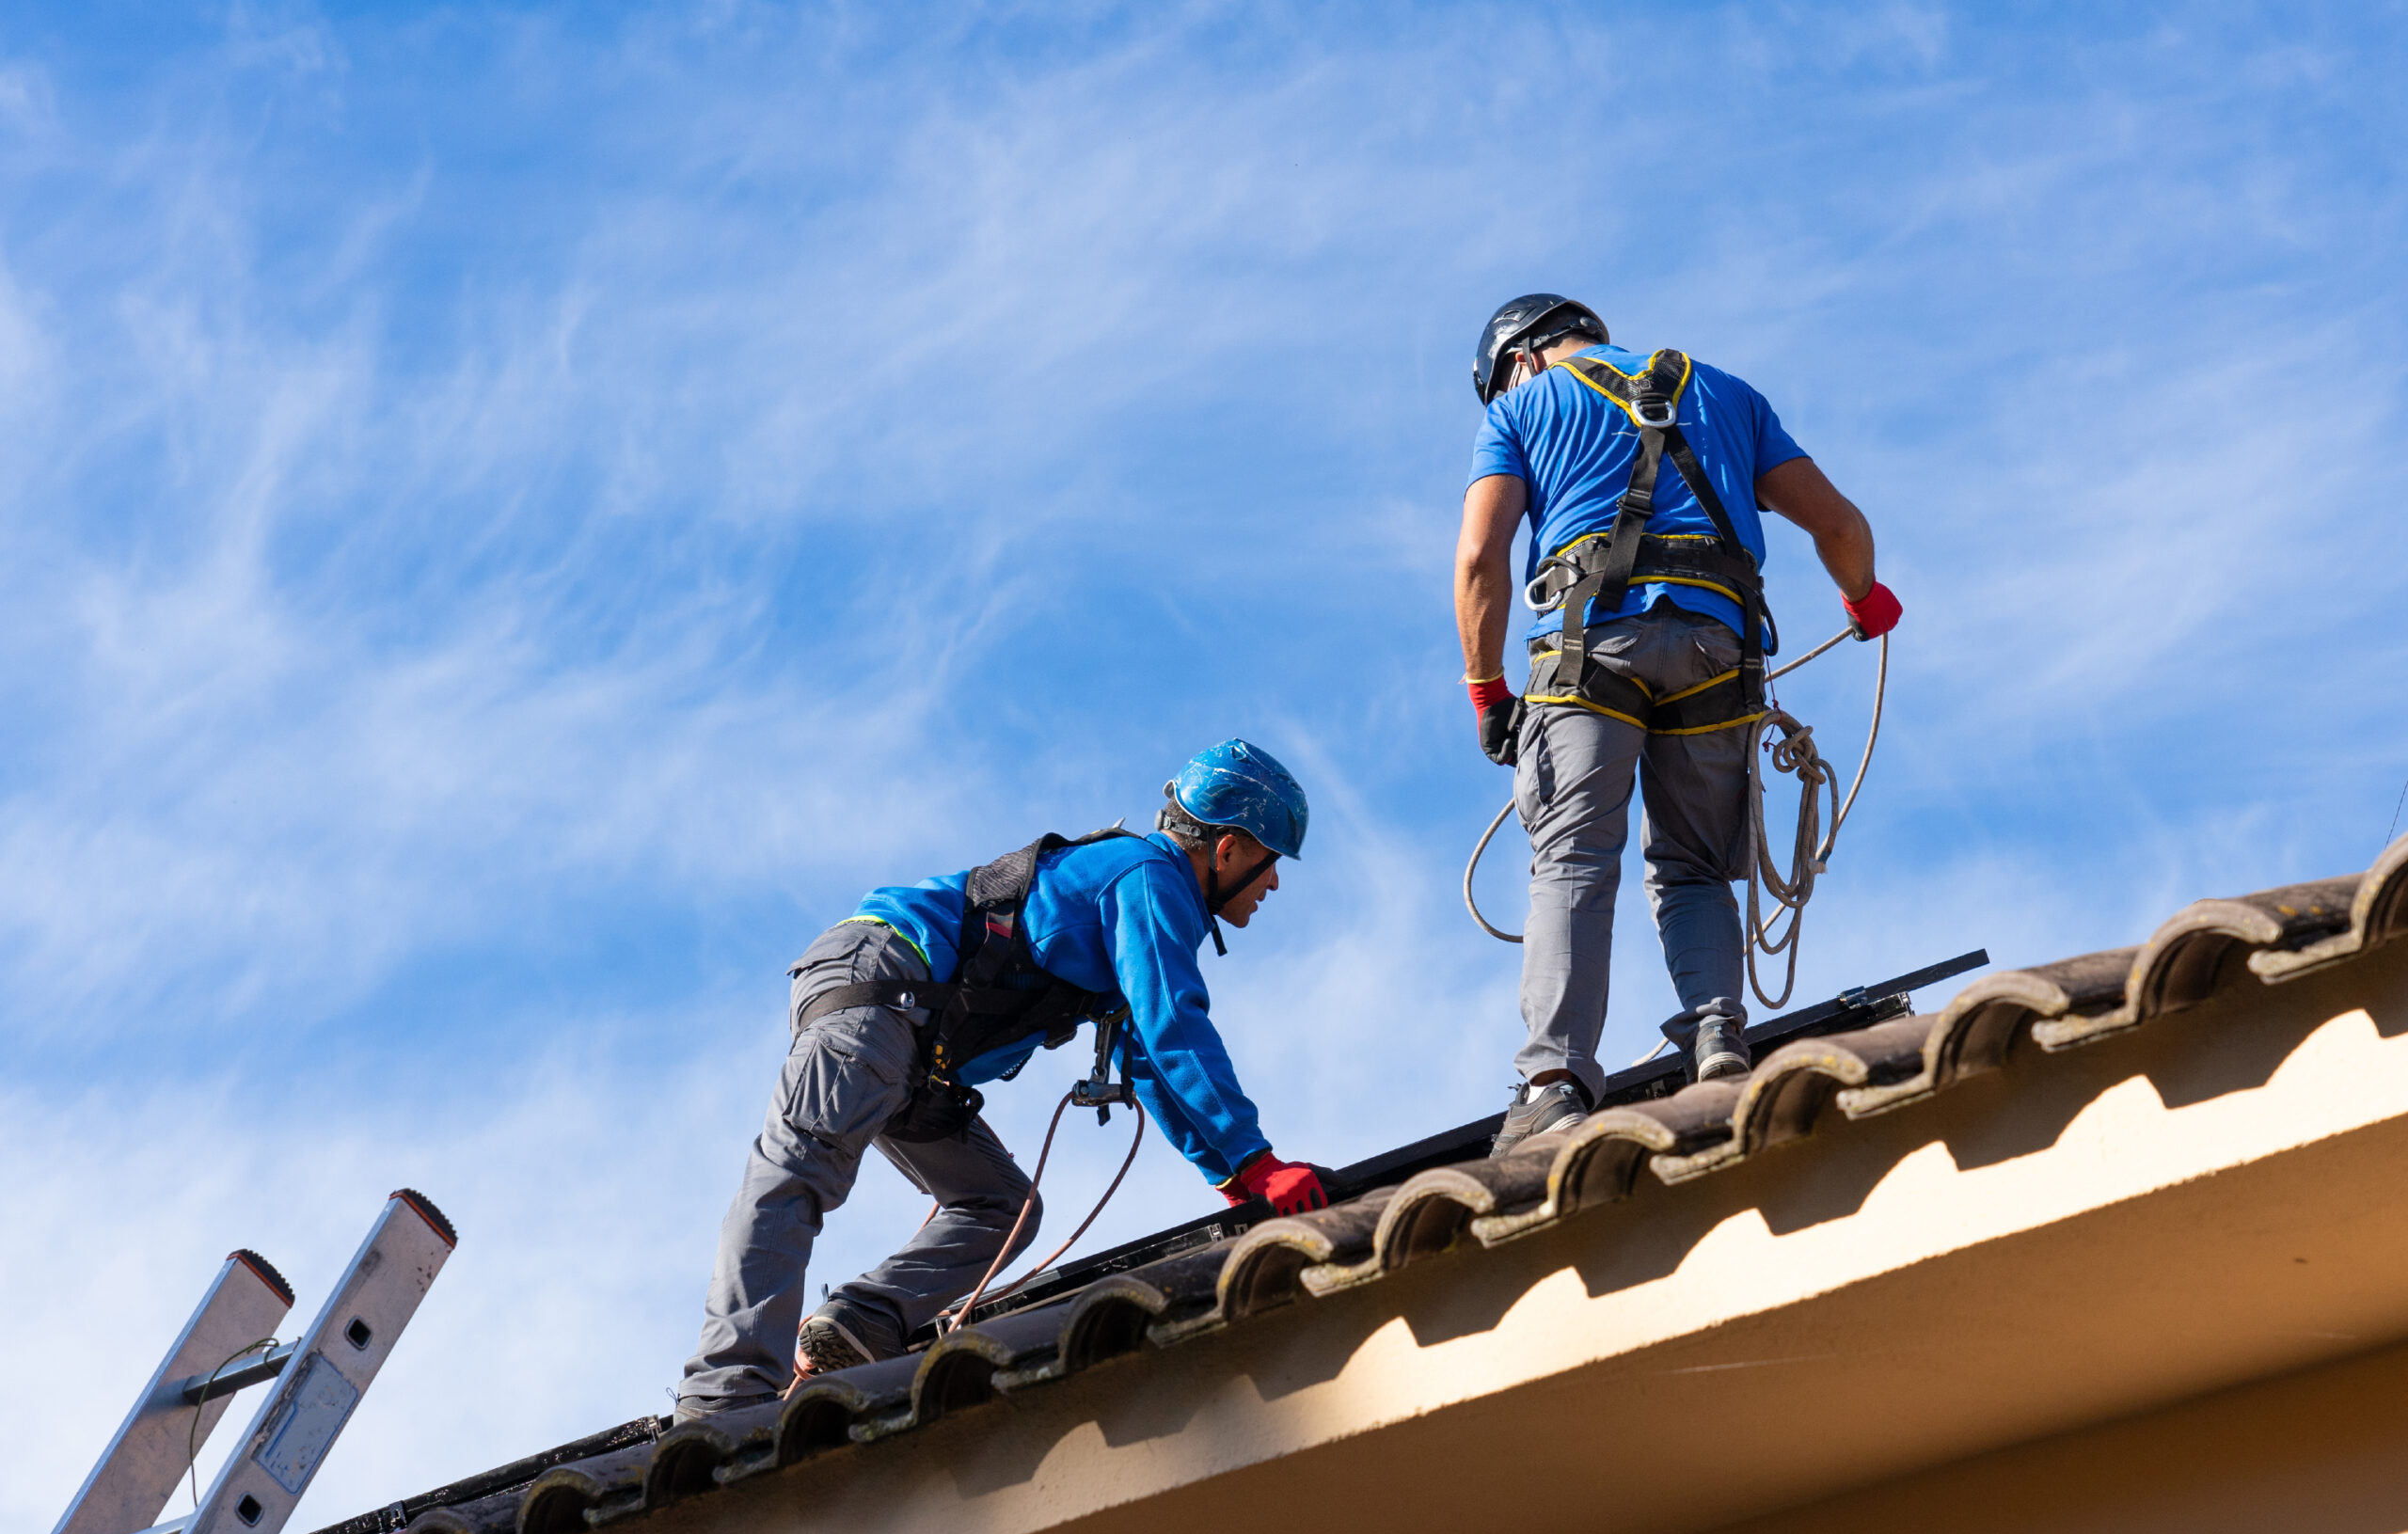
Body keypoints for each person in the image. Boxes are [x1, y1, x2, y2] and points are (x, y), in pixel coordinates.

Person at [674, 739, 1330, 1420]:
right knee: (796, 1173)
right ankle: (725, 1399)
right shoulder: (1148, 877)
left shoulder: (1140, 889)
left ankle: (863, 1321)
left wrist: (1231, 1177)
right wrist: (1258, 1160)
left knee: (1002, 1204)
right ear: (1227, 849)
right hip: (882, 991)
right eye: (1270, 862)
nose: (1273, 883)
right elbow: (1176, 1024)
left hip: (916, 1049)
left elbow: (1152, 1060)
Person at [1454, 294, 1902, 1154]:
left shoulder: (1522, 407)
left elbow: (1482, 556)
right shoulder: (1728, 393)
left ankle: (1553, 1085)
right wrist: (1863, 597)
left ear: (1518, 359)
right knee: (1694, 866)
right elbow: (1840, 524)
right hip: (1717, 654)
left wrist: (1488, 691)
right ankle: (1718, 1040)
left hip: (1592, 653)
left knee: (1574, 855)